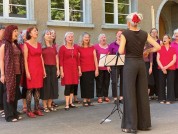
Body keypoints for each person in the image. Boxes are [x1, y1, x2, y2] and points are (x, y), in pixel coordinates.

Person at [119, 12, 160, 133]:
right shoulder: (144, 34)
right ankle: (144, 124)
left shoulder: (125, 33)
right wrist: (147, 51)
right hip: (141, 64)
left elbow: (121, 51)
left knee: (129, 93)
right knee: (142, 93)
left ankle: (131, 126)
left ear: (128, 22)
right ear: (138, 22)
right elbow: (158, 47)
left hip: (130, 64)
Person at [0, 25, 23, 122]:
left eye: (17, 31)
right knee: (8, 93)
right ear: (9, 32)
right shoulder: (4, 45)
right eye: (14, 31)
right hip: (9, 73)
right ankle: (9, 115)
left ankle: (14, 112)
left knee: (15, 93)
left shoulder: (16, 44)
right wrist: (2, 74)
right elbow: (1, 60)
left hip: (17, 73)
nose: (16, 33)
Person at [24, 27, 46, 118]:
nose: (36, 32)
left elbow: (41, 57)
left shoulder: (39, 44)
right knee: (30, 89)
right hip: (31, 69)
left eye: (37, 30)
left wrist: (44, 69)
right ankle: (29, 110)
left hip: (39, 69)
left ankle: (36, 109)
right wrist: (27, 72)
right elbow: (25, 59)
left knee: (38, 89)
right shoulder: (26, 44)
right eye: (34, 31)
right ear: (30, 33)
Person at [59, 32, 81, 110]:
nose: (71, 38)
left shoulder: (76, 48)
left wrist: (79, 70)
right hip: (66, 70)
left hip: (74, 69)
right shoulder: (62, 48)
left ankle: (71, 102)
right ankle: (67, 104)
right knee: (68, 86)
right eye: (69, 37)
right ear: (66, 38)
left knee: (72, 86)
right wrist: (61, 71)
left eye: (72, 36)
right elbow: (60, 61)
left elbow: (78, 60)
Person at [40, 30, 59, 112]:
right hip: (45, 68)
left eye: (50, 34)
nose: (49, 35)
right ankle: (44, 106)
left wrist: (58, 69)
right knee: (46, 87)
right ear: (43, 36)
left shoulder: (53, 46)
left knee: (53, 86)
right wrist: (43, 70)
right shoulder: (41, 46)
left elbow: (56, 58)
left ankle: (49, 104)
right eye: (47, 34)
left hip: (53, 68)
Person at [78, 32, 99, 107]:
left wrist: (97, 69)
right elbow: (78, 60)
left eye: (88, 37)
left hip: (92, 68)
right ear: (82, 38)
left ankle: (89, 100)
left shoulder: (92, 47)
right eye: (85, 37)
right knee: (84, 84)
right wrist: (79, 70)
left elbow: (95, 59)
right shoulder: (79, 48)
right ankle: (84, 100)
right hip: (83, 69)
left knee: (90, 84)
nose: (87, 38)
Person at [157, 34, 176, 104]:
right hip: (161, 68)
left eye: (166, 38)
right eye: (163, 38)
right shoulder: (160, 48)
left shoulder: (173, 48)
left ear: (169, 39)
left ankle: (170, 99)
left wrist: (166, 67)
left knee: (170, 83)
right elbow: (157, 59)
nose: (164, 39)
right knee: (161, 83)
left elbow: (174, 60)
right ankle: (161, 98)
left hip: (171, 68)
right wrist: (162, 68)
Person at [108, 30, 124, 103]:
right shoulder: (112, 45)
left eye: (121, 34)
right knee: (114, 81)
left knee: (123, 81)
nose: (120, 35)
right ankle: (115, 97)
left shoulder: (125, 44)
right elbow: (109, 55)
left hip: (124, 65)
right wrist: (108, 65)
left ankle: (121, 97)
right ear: (116, 35)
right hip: (114, 65)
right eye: (118, 34)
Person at [94, 34, 110, 103]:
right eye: (102, 37)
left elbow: (110, 56)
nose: (103, 38)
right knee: (99, 83)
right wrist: (96, 68)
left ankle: (106, 96)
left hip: (107, 68)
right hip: (99, 68)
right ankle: (99, 96)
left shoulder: (109, 46)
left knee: (106, 82)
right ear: (99, 39)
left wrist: (109, 66)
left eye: (104, 37)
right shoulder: (96, 46)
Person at [149, 28, 162, 99]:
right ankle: (151, 93)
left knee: (157, 77)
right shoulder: (148, 41)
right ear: (150, 33)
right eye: (152, 32)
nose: (154, 33)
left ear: (157, 33)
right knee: (151, 78)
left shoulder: (160, 42)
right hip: (150, 61)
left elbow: (162, 52)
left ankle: (157, 93)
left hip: (158, 61)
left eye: (155, 32)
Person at [18, 30, 28, 113]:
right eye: (24, 35)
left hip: (32, 67)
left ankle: (34, 104)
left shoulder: (31, 44)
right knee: (25, 87)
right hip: (23, 69)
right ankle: (24, 105)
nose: (26, 36)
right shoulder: (19, 45)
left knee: (33, 88)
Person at [171, 29, 178, 100]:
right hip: (174, 65)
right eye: (175, 34)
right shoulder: (172, 44)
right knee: (175, 81)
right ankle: (176, 95)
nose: (177, 35)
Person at [0, 24, 5, 118]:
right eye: (3, 30)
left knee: (2, 88)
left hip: (3, 67)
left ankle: (3, 107)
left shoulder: (4, 42)